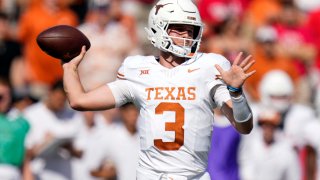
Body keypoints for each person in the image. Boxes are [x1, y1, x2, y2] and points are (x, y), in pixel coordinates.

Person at [62, 0, 255, 179]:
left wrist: (235, 93)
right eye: (179, 29)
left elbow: (243, 126)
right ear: (158, 28)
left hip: (193, 176)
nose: (186, 35)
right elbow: (79, 100)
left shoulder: (209, 66)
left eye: (190, 30)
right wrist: (69, 67)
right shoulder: (137, 70)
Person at [0, 77, 31, 180]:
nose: (2, 100)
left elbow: (25, 157)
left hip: (13, 173)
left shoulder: (21, 121)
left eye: (5, 95)